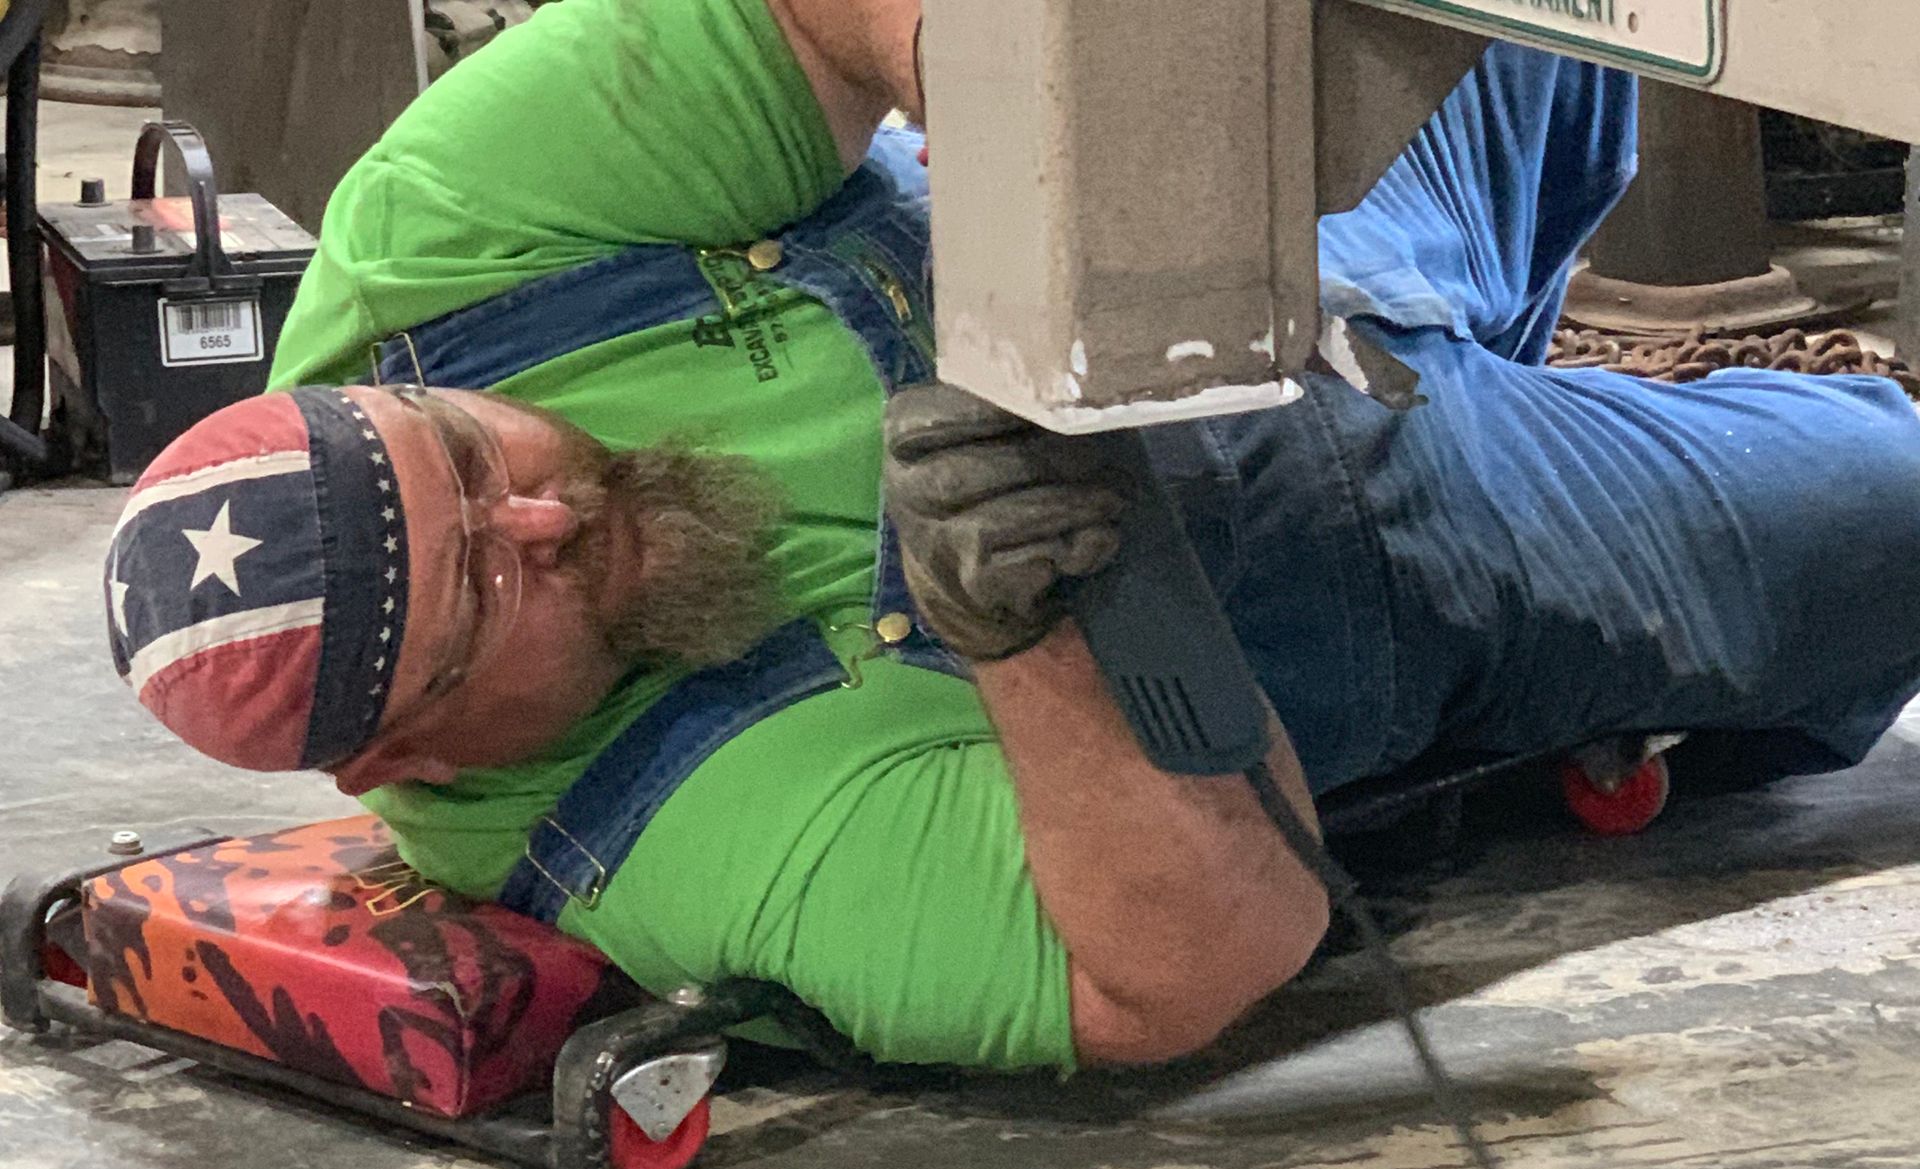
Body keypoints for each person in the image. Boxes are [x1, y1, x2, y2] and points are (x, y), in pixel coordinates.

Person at [103, 0, 1920, 1073]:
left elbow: (811, 14)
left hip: (1271, 258)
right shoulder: (660, 835)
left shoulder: (442, 247)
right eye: (496, 581)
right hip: (1415, 555)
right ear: (407, 751)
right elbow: (1184, 963)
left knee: (1566, 14)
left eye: (464, 453)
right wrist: (1033, 637)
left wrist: (1043, 151)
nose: (546, 502)